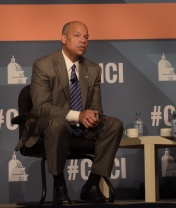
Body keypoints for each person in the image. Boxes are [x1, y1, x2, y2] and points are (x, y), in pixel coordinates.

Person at [17, 21, 123, 204]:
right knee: (57, 124)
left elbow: (96, 106)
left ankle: (92, 185)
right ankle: (59, 185)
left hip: (82, 126)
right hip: (50, 125)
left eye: (87, 37)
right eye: (77, 36)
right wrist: (77, 115)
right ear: (63, 38)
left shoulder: (93, 69)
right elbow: (42, 107)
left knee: (114, 125)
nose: (83, 41)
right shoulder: (43, 65)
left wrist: (92, 115)